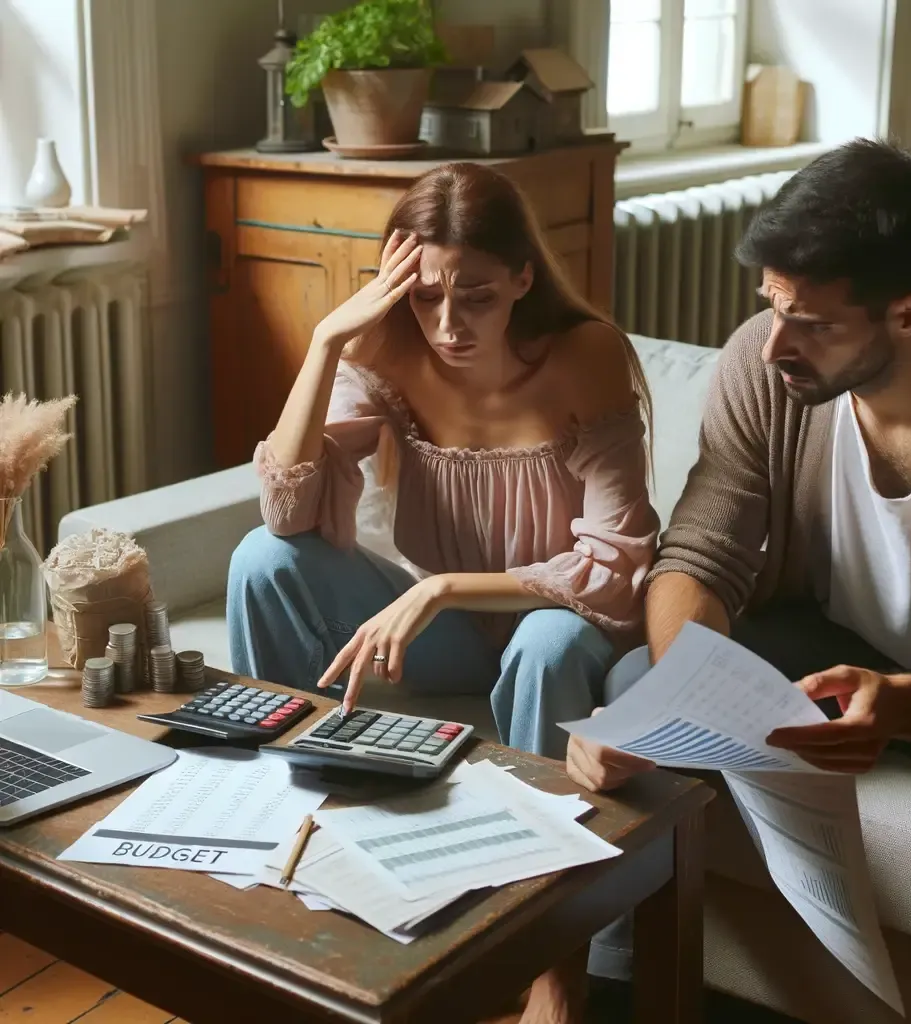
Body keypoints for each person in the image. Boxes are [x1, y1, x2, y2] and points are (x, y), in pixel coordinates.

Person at [562, 139, 911, 1024]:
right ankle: (618, 996)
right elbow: (697, 554)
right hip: (834, 643)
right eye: (771, 305)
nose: (774, 342)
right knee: (632, 685)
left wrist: (907, 705)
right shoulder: (764, 364)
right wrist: (682, 702)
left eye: (811, 322)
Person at [226, 161, 658, 767]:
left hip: (557, 620)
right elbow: (287, 515)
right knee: (262, 556)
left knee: (544, 643)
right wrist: (326, 341)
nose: (449, 326)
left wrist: (440, 589)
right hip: (446, 637)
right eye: (426, 298)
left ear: (523, 278)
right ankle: (268, 776)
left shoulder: (585, 355)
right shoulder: (388, 354)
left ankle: (549, 833)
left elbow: (614, 572)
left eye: (477, 297)